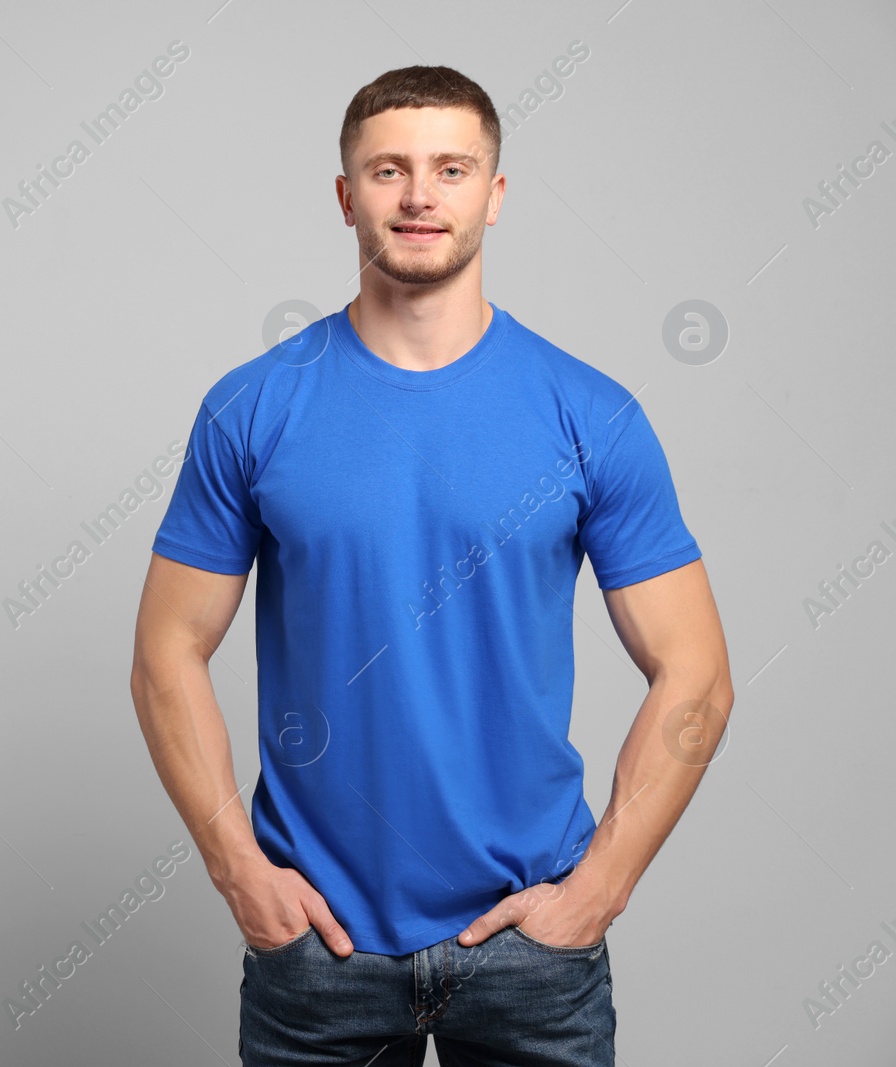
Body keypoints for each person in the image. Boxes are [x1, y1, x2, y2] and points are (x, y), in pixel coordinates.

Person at [128, 65, 733, 1066]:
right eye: (388, 170)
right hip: (318, 947)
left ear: (493, 194)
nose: (418, 196)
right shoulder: (252, 409)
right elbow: (164, 653)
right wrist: (238, 869)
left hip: (533, 952)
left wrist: (601, 886)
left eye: (450, 168)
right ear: (344, 196)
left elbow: (696, 675)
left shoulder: (589, 415)